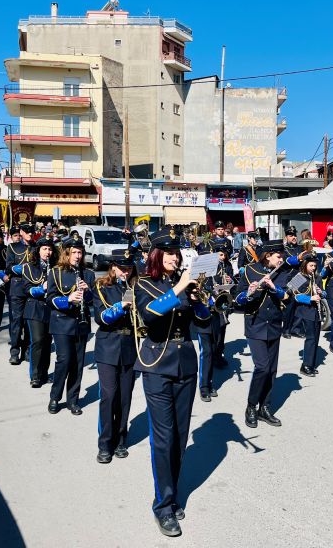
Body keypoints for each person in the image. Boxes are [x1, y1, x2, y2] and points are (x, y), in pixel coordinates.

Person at [133, 227, 210, 537]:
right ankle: (163, 506)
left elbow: (205, 320)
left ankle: (172, 492)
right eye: (168, 253)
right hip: (157, 366)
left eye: (177, 254)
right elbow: (150, 314)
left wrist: (199, 299)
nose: (174, 257)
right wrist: (179, 289)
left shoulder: (182, 285)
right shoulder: (144, 284)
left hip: (185, 366)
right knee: (163, 439)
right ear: (156, 255)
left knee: (180, 435)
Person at [235, 240, 288, 428]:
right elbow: (237, 298)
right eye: (278, 256)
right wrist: (249, 292)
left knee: (272, 370)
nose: (282, 258)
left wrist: (275, 288)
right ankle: (251, 406)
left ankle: (265, 408)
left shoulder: (283, 272)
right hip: (255, 324)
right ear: (268, 256)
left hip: (274, 324)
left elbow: (288, 296)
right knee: (262, 367)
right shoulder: (249, 271)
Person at [92, 250, 137, 463]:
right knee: (109, 397)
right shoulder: (102, 287)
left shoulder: (136, 287)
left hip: (129, 347)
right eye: (121, 268)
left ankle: (120, 439)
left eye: (128, 268)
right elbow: (102, 318)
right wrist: (122, 306)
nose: (125, 272)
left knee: (125, 398)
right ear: (113, 267)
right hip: (107, 348)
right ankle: (105, 443)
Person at [46, 236, 96, 415]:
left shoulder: (88, 274)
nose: (77, 256)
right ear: (66, 254)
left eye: (80, 252)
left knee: (78, 363)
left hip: (81, 323)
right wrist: (68, 299)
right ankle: (55, 397)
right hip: (61, 322)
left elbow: (92, 301)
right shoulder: (55, 272)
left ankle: (73, 400)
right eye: (74, 252)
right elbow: (50, 298)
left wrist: (87, 291)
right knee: (64, 360)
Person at [22, 237, 56, 388]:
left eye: (49, 249)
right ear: (38, 250)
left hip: (51, 308)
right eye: (44, 249)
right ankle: (35, 376)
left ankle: (44, 374)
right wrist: (42, 288)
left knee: (48, 342)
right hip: (34, 308)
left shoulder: (55, 267)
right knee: (37, 340)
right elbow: (27, 289)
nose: (47, 252)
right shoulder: (29, 267)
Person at [5, 225, 32, 365]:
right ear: (21, 233)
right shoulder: (13, 247)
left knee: (29, 321)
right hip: (17, 288)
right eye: (27, 232)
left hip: (32, 289)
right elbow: (8, 266)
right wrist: (17, 268)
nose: (30, 234)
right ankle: (14, 352)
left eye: (32, 232)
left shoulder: (35, 247)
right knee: (16, 321)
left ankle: (27, 350)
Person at [293, 254, 324, 376]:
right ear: (305, 265)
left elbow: (324, 294)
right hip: (305, 312)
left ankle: (310, 364)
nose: (313, 268)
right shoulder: (300, 277)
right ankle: (306, 365)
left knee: (315, 339)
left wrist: (322, 292)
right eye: (311, 265)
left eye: (315, 266)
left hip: (316, 311)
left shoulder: (317, 277)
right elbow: (292, 294)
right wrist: (309, 298)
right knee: (311, 338)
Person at [281, 226, 302, 338]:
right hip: (291, 279)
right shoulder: (284, 249)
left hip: (301, 278)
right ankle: (286, 329)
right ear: (286, 237)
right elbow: (288, 261)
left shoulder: (300, 247)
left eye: (294, 235)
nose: (294, 237)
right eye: (291, 235)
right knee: (290, 305)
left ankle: (296, 329)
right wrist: (300, 258)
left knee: (299, 304)